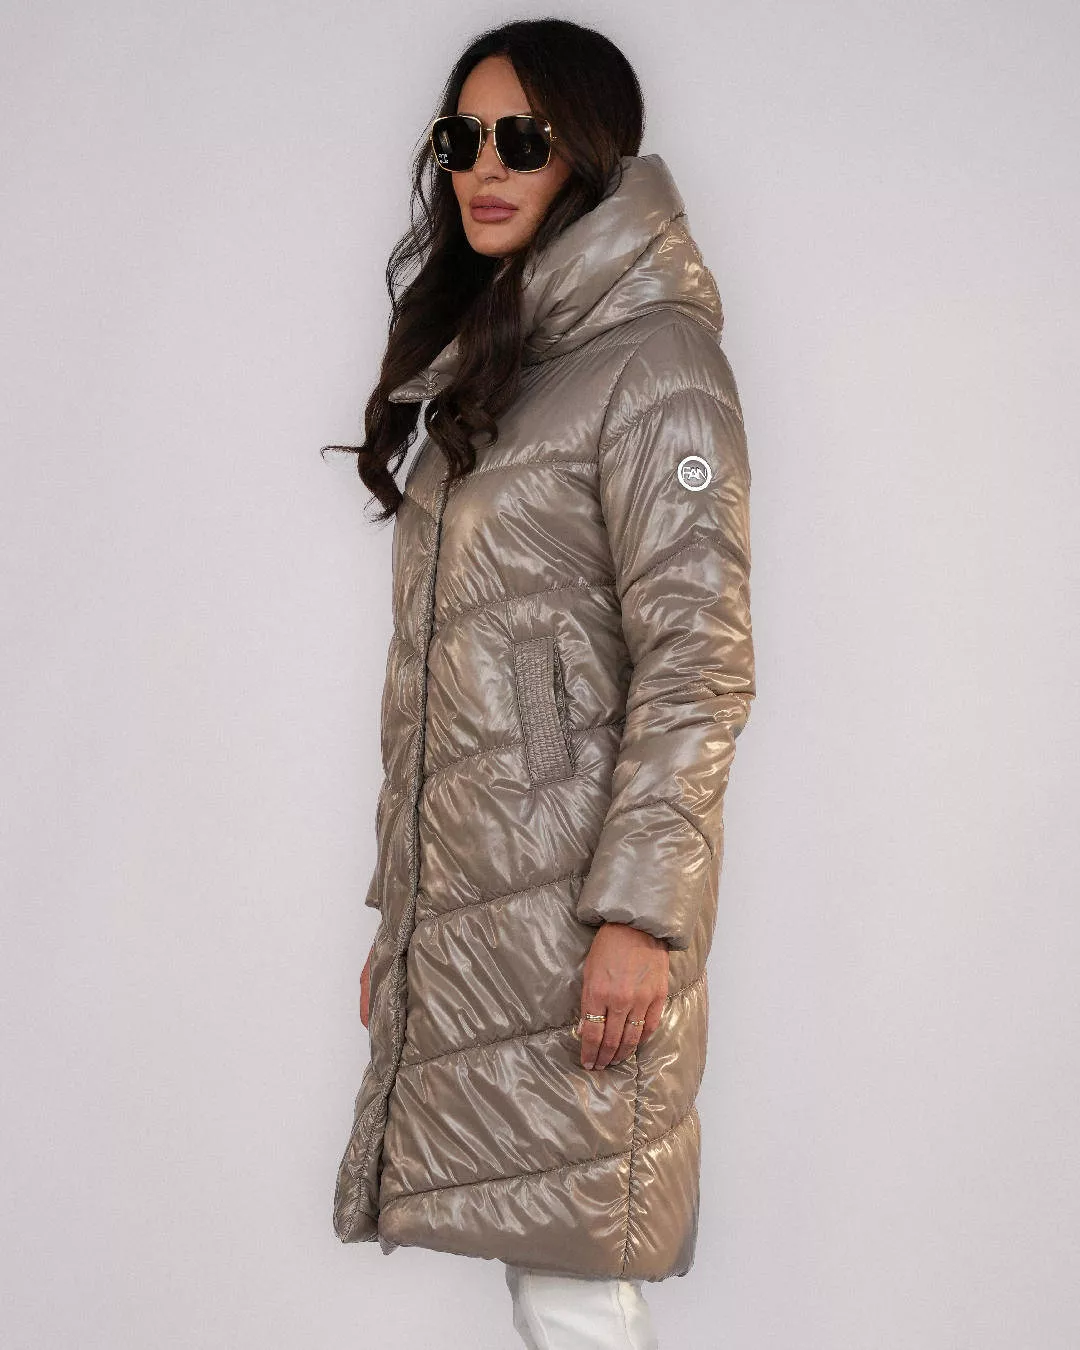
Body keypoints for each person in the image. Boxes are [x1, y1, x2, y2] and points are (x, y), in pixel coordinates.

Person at [322, 18, 756, 1349]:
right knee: (549, 1279)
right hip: (487, 908)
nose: (485, 167)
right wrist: (408, 920)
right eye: (462, 138)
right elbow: (455, 686)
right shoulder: (506, 365)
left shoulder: (657, 366)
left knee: (574, 1281)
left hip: (583, 912)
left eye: (522, 137)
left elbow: (698, 665)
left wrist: (641, 917)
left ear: (588, 153)